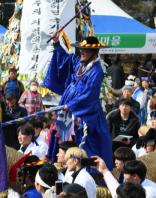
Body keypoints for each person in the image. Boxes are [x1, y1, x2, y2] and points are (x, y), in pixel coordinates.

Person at [45, 33, 113, 167]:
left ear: (94, 53)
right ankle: (60, 162)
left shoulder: (96, 71)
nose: (81, 53)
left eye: (85, 51)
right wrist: (57, 43)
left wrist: (71, 105)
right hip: (68, 103)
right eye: (81, 50)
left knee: (80, 134)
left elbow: (90, 94)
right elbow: (66, 59)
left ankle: (81, 167)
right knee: (60, 132)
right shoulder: (80, 63)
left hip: (82, 108)